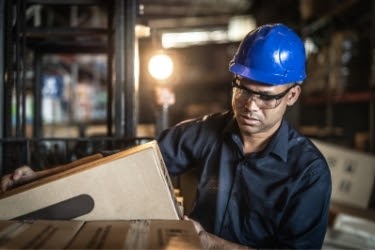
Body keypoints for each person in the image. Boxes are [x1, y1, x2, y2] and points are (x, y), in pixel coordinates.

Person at [1, 23, 331, 249]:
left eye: (266, 96)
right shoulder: (208, 132)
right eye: (242, 89)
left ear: (292, 96)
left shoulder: (308, 173)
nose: (250, 105)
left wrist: (211, 243)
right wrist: (38, 177)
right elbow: (127, 163)